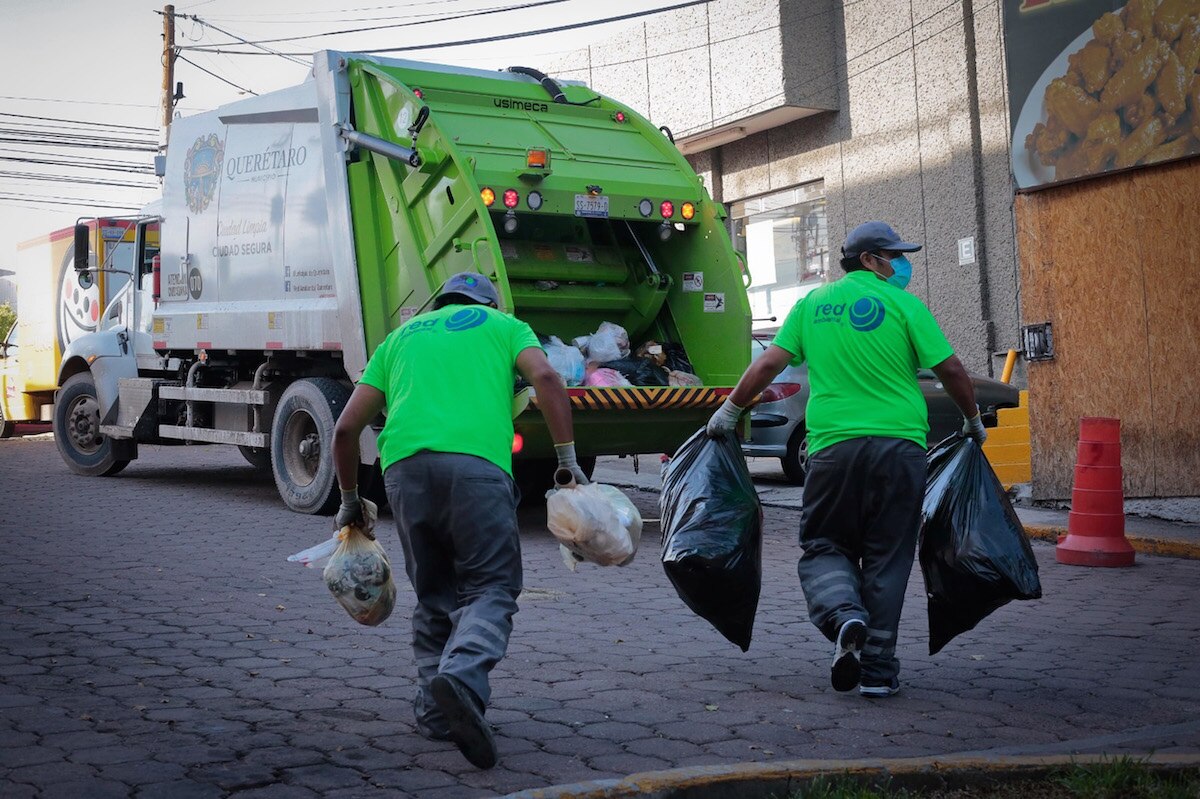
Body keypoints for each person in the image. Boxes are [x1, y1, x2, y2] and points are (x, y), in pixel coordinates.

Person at [706, 221, 987, 698]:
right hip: (900, 449)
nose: (901, 264)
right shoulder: (904, 306)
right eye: (892, 255)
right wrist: (972, 420)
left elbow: (768, 363)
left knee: (825, 544)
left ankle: (844, 614)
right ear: (868, 260)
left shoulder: (812, 306)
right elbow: (953, 369)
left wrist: (731, 410)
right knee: (888, 555)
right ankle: (878, 671)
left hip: (833, 449)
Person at [331, 272, 588, 769]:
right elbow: (549, 379)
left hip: (403, 472)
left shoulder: (401, 337)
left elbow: (345, 429)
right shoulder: (505, 325)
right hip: (477, 471)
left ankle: (435, 712)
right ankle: (463, 676)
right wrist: (567, 458)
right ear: (487, 302)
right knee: (491, 589)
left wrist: (348, 499)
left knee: (434, 595)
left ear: (441, 302)